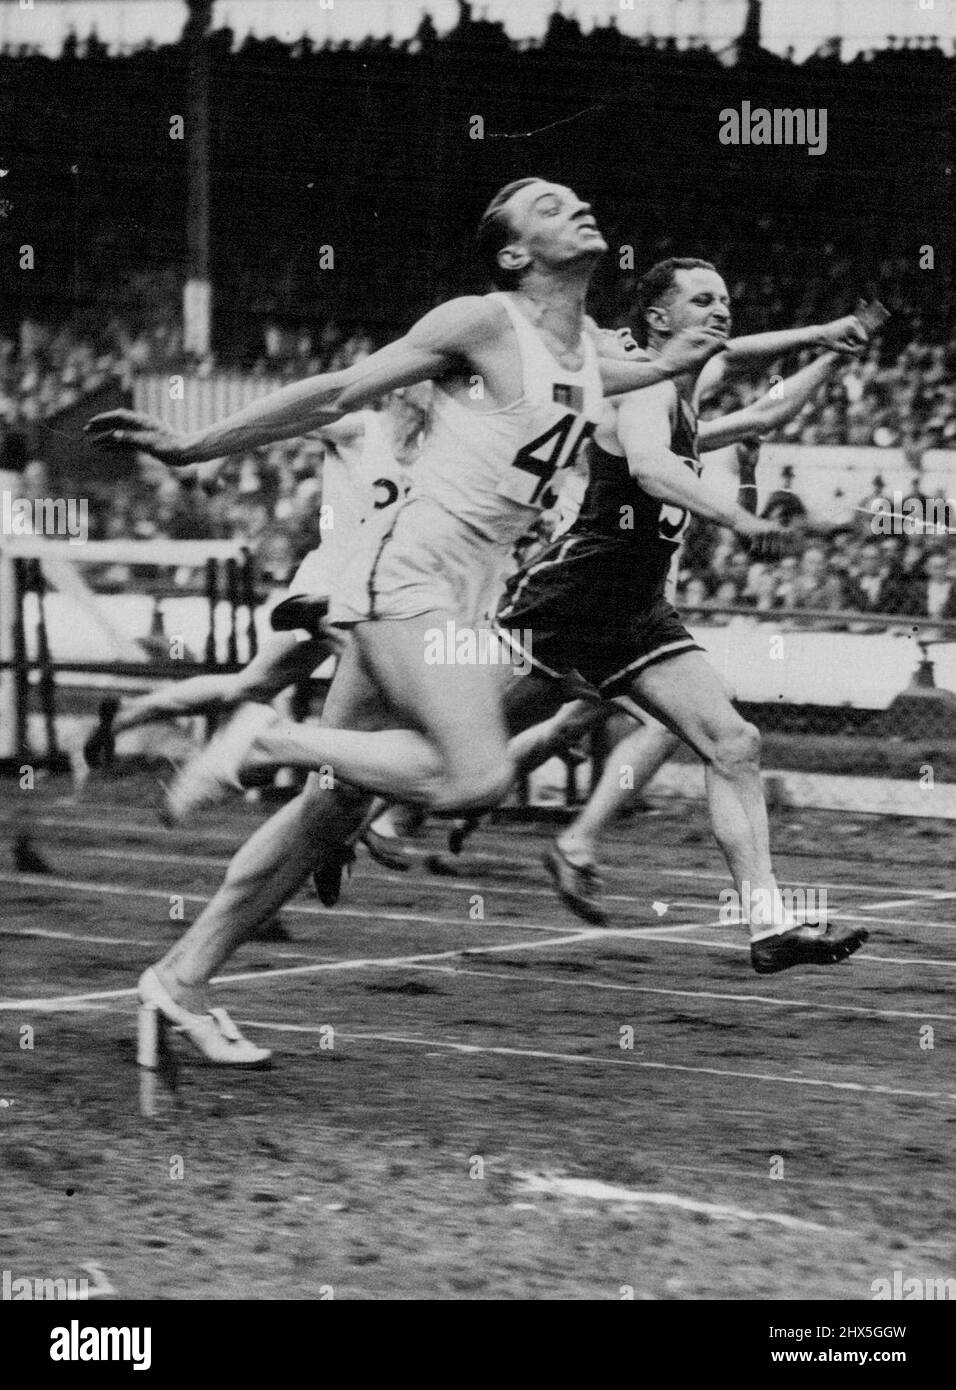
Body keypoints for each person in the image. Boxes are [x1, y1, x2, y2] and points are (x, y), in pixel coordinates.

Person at [88, 178, 728, 1066]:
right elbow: (342, 389)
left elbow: (653, 368)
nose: (577, 206)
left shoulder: (584, 350)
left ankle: (181, 979)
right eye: (547, 207)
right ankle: (270, 737)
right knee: (472, 778)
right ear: (512, 253)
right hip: (409, 574)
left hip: (464, 589)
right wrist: (198, 442)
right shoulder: (480, 320)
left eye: (578, 199)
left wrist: (760, 341)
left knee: (333, 813)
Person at [79, 392, 427, 779]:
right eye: (428, 386)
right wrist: (216, 458)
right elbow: (281, 420)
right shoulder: (361, 427)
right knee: (397, 692)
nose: (440, 396)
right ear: (402, 393)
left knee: (249, 686)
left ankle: (130, 714)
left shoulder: (435, 450)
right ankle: (247, 764)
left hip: (373, 594)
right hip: (330, 587)